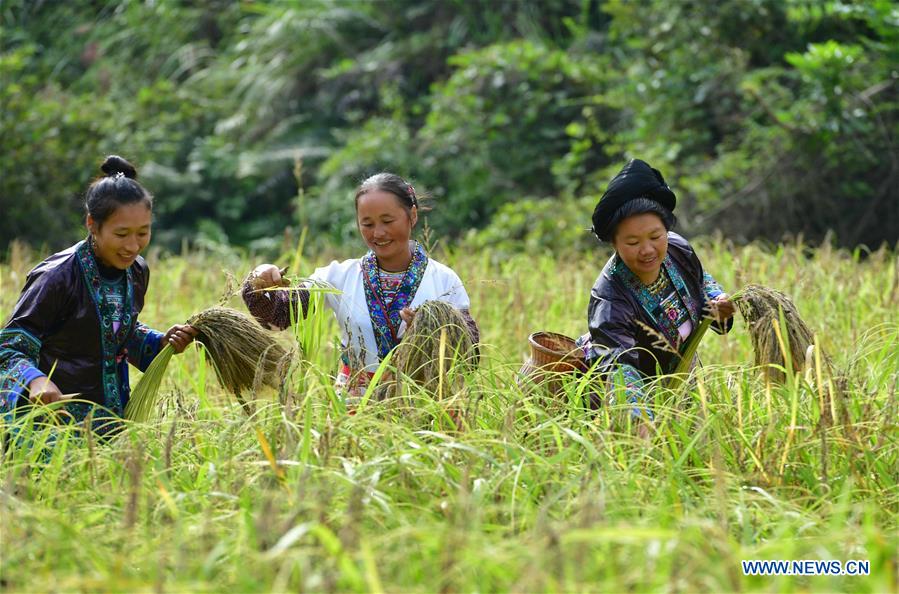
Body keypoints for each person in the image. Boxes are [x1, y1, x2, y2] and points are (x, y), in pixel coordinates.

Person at [0, 156, 197, 434]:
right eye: (122, 234)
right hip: (53, 424)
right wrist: (36, 380)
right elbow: (9, 347)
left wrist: (160, 341)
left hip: (110, 420)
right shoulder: (57, 277)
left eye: (143, 232)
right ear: (92, 224)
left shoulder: (137, 271)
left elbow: (118, 332)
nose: (133, 246)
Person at [242, 172, 478, 400]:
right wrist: (259, 279)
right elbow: (279, 315)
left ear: (412, 216)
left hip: (424, 403)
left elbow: (470, 354)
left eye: (387, 221)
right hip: (355, 407)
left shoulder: (443, 279)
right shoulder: (339, 277)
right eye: (367, 224)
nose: (378, 233)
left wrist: (429, 329)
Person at [578, 159, 735, 424]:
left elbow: (701, 281)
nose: (648, 250)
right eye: (632, 242)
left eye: (655, 236)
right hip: (626, 392)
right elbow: (620, 371)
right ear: (614, 244)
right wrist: (641, 424)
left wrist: (719, 302)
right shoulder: (609, 297)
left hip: (682, 377)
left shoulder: (679, 249)